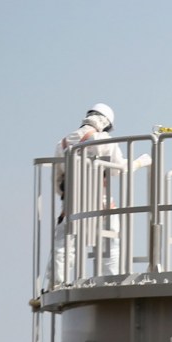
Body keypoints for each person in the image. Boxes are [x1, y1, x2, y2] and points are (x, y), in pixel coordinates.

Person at [50, 103, 124, 284]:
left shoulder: (63, 143)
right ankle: (111, 280)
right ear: (105, 122)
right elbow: (117, 169)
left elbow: (58, 181)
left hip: (72, 207)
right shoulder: (106, 141)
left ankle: (57, 282)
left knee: (64, 245)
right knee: (110, 243)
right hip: (102, 204)